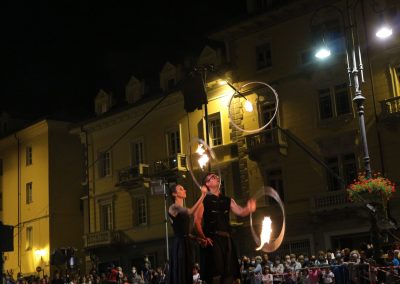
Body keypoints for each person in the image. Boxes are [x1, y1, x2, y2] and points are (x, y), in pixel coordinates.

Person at [194, 172, 256, 284]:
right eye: (212, 177)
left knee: (230, 272)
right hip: (213, 240)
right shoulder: (203, 201)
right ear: (207, 183)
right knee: (216, 272)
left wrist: (249, 208)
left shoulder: (228, 200)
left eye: (217, 176)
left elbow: (241, 212)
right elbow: (197, 221)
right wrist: (203, 238)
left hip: (227, 239)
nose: (216, 177)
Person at [168, 183, 207, 284]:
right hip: (180, 245)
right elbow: (190, 212)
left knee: (187, 273)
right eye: (181, 189)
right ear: (174, 194)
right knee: (181, 273)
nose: (184, 190)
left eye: (183, 188)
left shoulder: (182, 209)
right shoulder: (173, 208)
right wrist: (202, 196)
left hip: (186, 243)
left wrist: (197, 239)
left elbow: (186, 233)